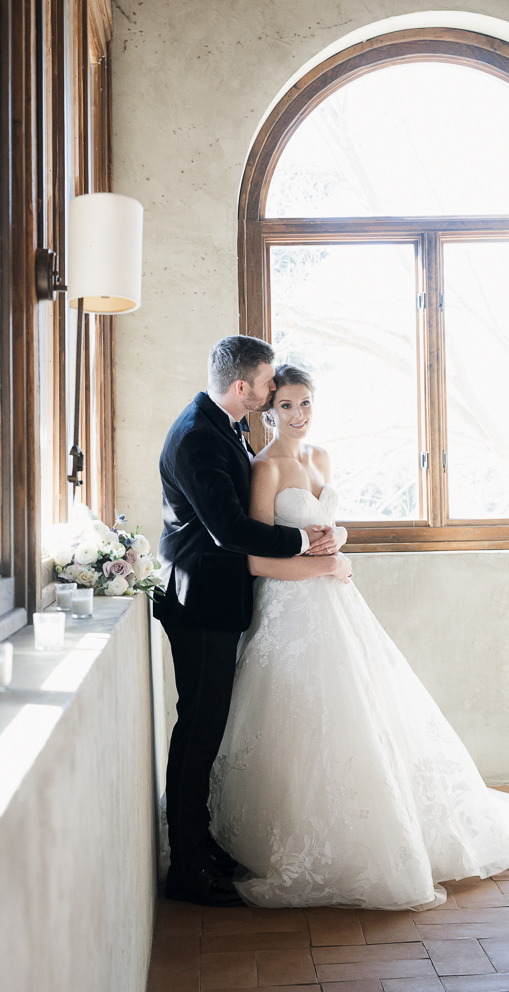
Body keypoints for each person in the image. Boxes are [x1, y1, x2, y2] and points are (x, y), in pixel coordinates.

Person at [209, 363, 509, 910]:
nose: (299, 415)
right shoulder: (265, 468)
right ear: (269, 412)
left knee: (367, 711)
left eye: (306, 403)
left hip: (338, 602)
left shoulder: (320, 458)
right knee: (304, 721)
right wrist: (324, 566)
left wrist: (333, 541)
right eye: (288, 405)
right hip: (291, 607)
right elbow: (254, 560)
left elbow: (324, 527)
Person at [155, 338, 352, 907]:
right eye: (269, 384)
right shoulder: (196, 435)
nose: (275, 393)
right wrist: (307, 542)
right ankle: (187, 869)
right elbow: (229, 529)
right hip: (200, 602)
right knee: (197, 731)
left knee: (211, 729)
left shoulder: (222, 426)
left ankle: (204, 845)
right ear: (243, 387)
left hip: (219, 598)